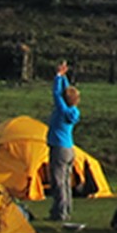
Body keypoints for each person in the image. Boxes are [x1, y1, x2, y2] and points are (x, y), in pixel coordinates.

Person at [47, 61, 82, 223]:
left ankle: (60, 212)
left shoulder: (62, 111)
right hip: (69, 149)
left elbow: (57, 95)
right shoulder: (73, 112)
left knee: (58, 182)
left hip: (59, 149)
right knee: (66, 183)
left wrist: (57, 77)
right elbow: (64, 94)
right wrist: (63, 76)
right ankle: (66, 209)